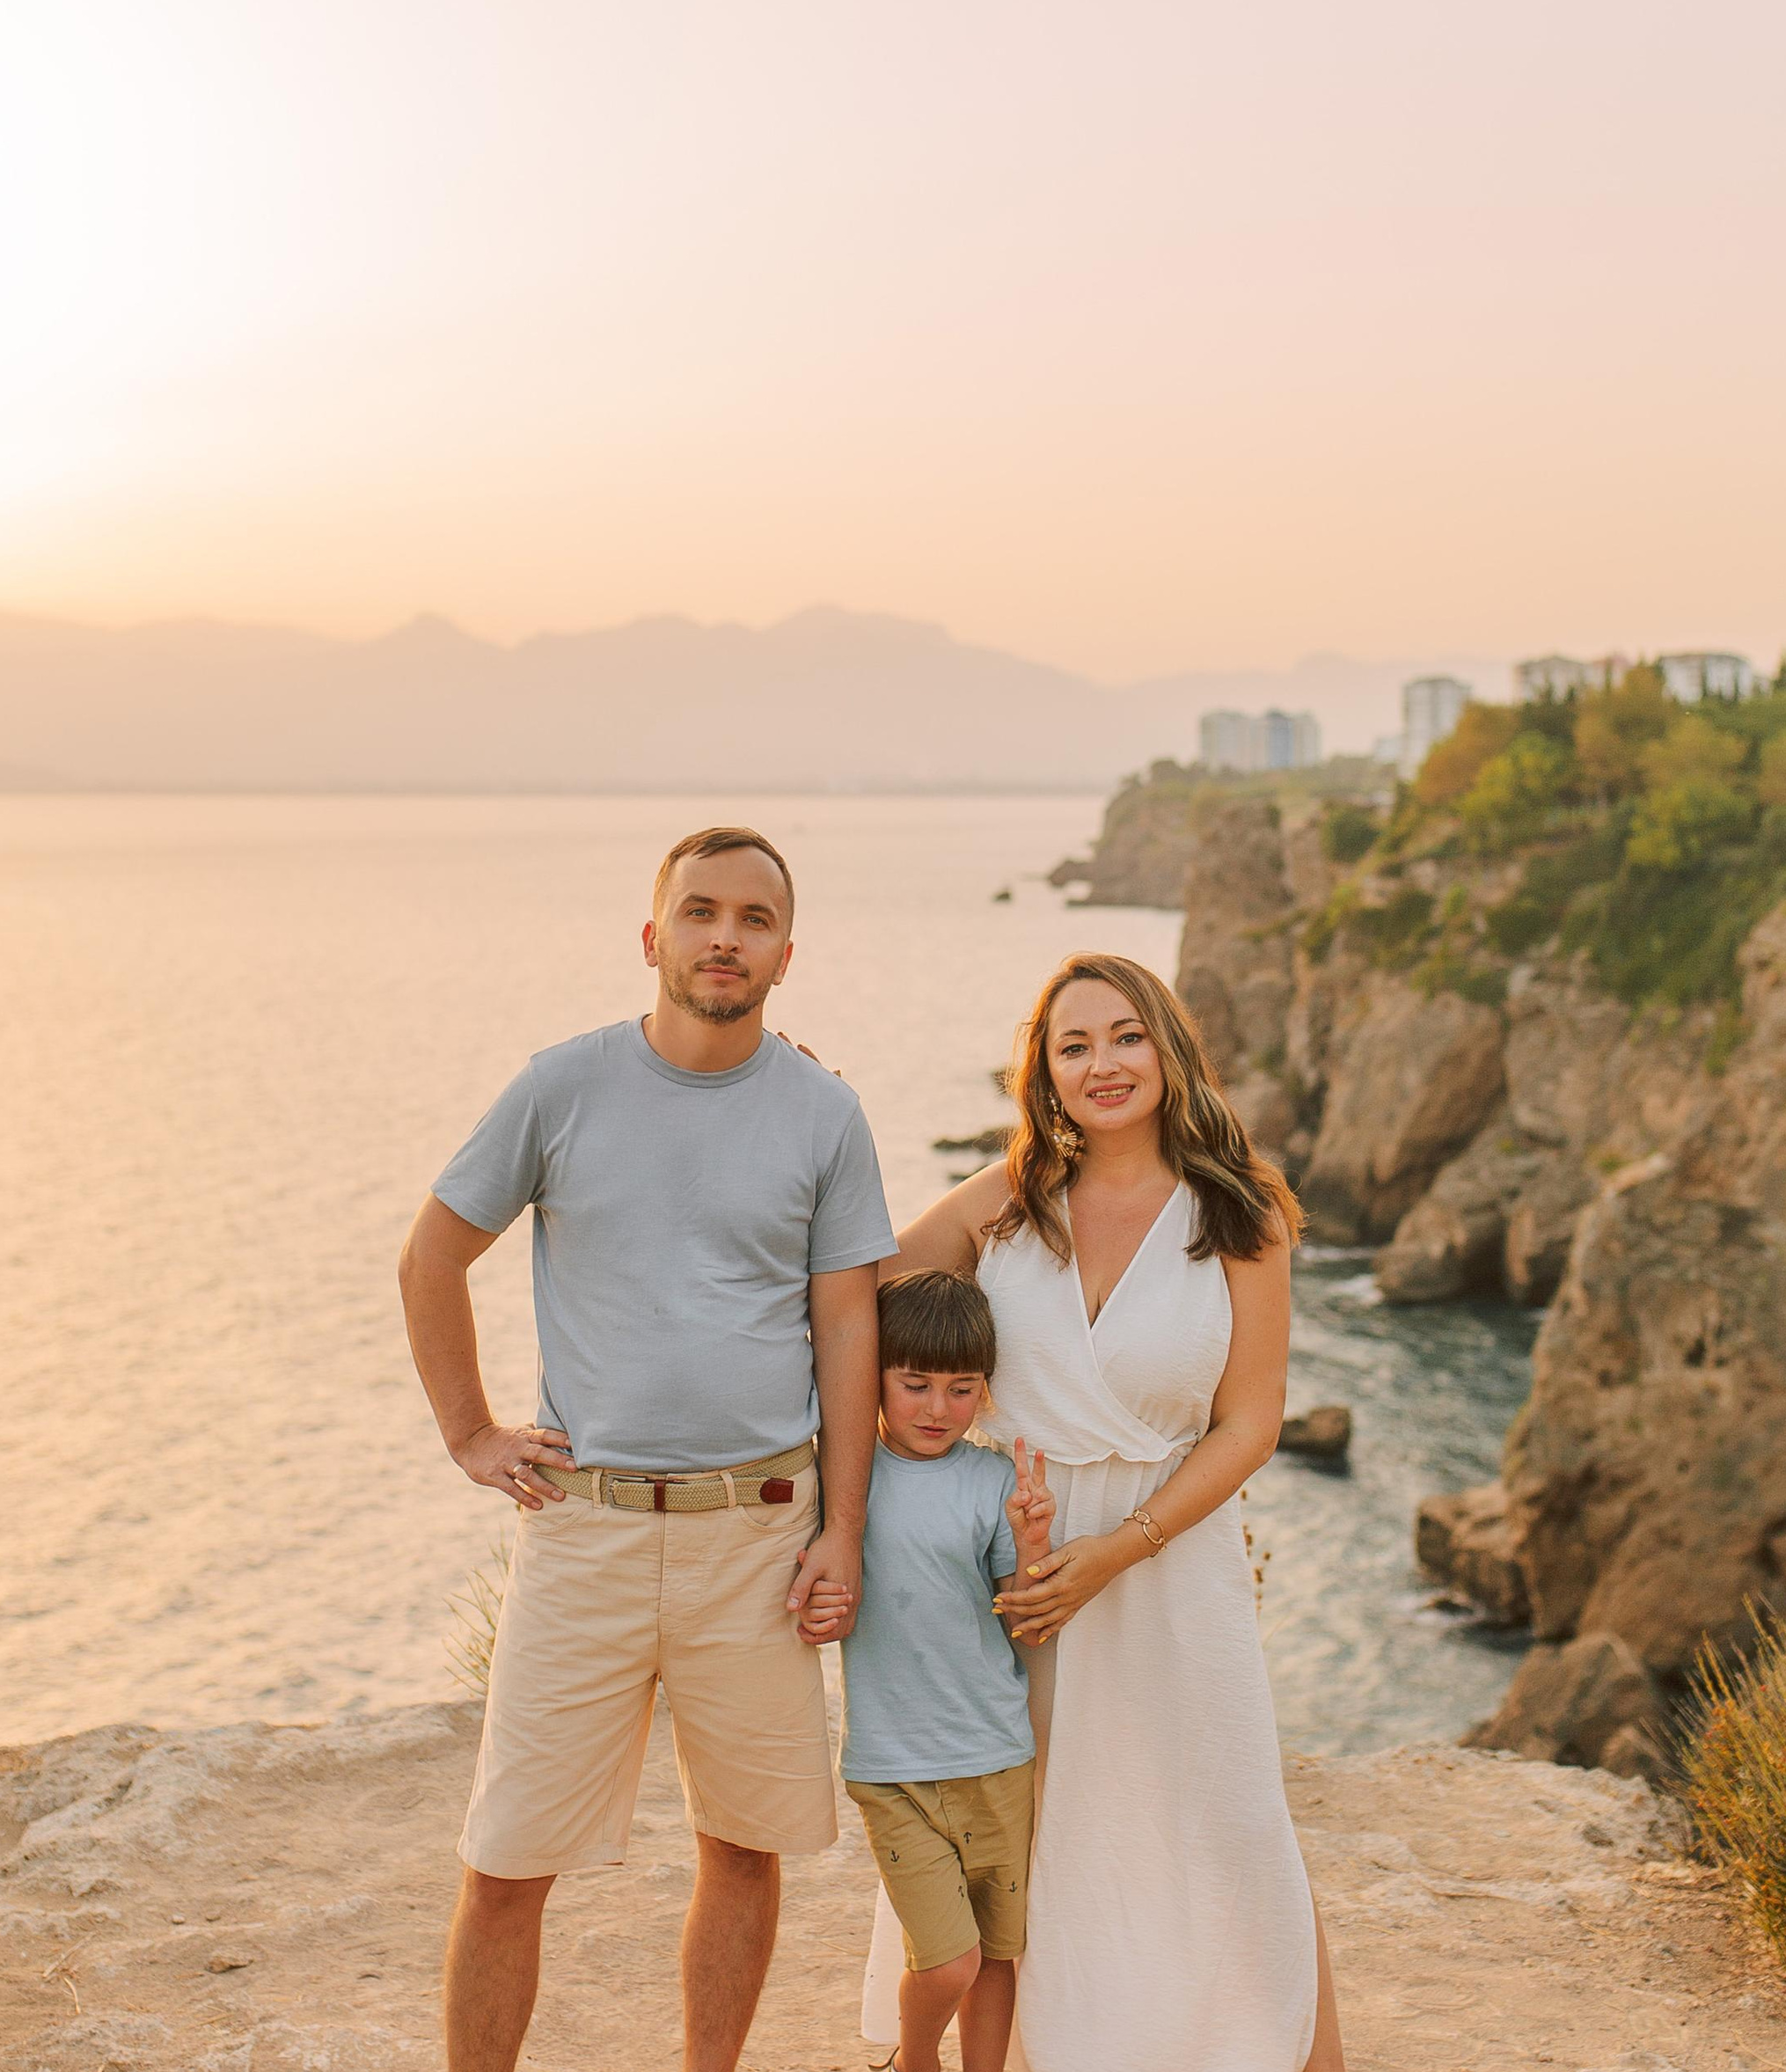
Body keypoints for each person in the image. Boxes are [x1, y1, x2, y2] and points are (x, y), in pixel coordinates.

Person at [397, 825, 896, 2072]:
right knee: (507, 1857)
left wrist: (843, 1529)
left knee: (743, 1846)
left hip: (761, 1538)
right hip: (587, 1533)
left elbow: (849, 1323)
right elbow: (433, 1256)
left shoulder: (825, 1112)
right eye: (701, 912)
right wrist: (470, 1432)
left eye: (754, 920)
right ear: (653, 935)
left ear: (786, 954)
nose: (726, 936)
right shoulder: (559, 1088)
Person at [823, 949, 1350, 2070]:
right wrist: (800, 1125)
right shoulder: (1011, 1199)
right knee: (1023, 1820)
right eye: (1074, 1044)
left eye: (1124, 1035)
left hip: (1164, 1554)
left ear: (1166, 1046)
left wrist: (1119, 1548)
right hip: (1014, 1560)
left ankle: (1288, 2052)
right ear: (1045, 1072)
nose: (1103, 1062)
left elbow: (1250, 1423)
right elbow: (856, 1283)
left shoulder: (1238, 1209)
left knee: (1221, 1811)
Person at [829, 1269, 1056, 2072]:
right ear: (877, 1377)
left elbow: (1022, 1616)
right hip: (894, 1769)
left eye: (962, 1389)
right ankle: (915, 2061)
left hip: (997, 1757)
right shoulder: (845, 1476)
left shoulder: (995, 1481)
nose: (937, 1408)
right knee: (949, 1959)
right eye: (915, 1383)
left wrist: (1032, 1550)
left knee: (998, 1955)